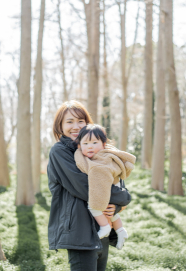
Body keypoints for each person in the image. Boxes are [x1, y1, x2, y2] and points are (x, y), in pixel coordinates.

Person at [47, 100, 131, 271]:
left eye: (80, 121)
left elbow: (115, 177)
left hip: (101, 229)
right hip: (79, 232)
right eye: (69, 122)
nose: (76, 126)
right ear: (60, 126)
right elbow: (85, 187)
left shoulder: (97, 148)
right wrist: (124, 198)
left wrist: (115, 206)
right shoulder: (60, 152)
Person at [74, 124, 136, 250]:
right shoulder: (92, 157)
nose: (90, 146)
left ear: (103, 144)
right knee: (110, 212)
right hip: (112, 189)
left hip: (112, 186)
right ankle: (120, 230)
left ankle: (105, 227)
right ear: (80, 146)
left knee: (94, 205)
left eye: (94, 142)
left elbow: (100, 173)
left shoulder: (104, 157)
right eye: (85, 143)